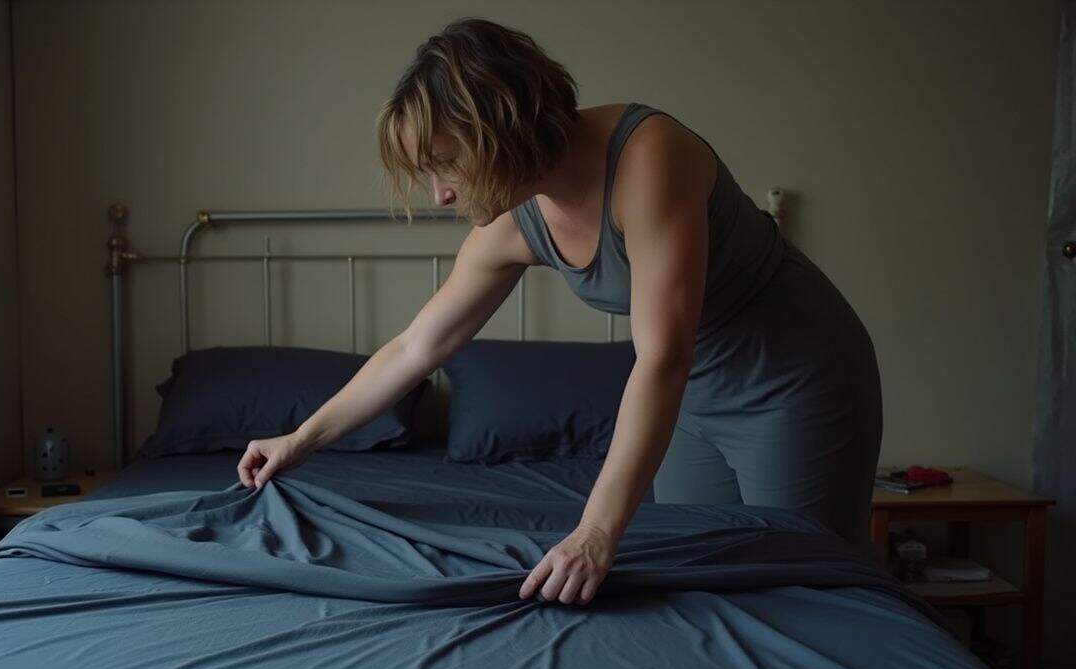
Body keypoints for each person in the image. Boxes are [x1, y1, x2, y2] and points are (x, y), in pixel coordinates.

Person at [237, 18, 882, 607]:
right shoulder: (513, 225)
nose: (439, 195)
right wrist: (300, 439)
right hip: (691, 397)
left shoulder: (649, 157)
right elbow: (416, 348)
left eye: (445, 163)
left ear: (499, 130)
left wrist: (596, 530)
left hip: (792, 378)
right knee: (703, 580)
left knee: (809, 589)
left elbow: (662, 356)